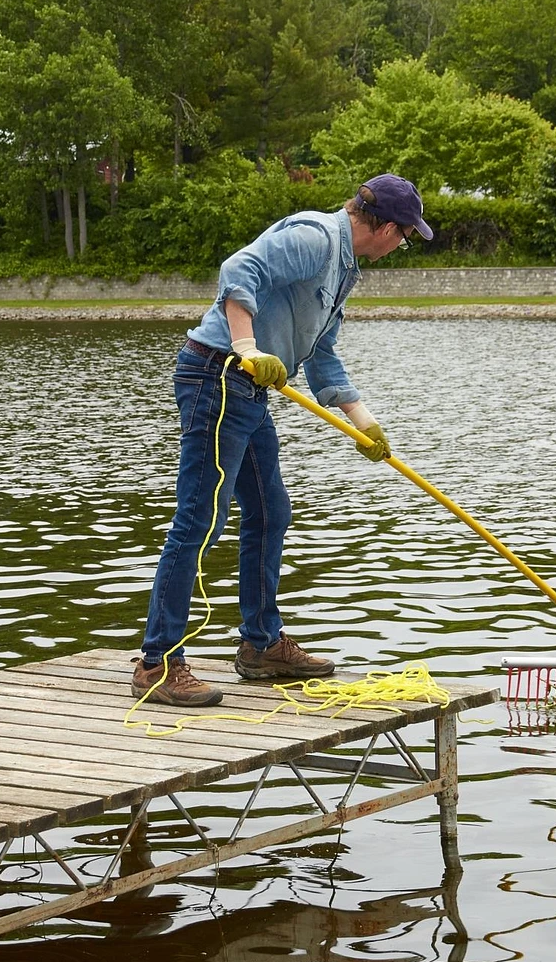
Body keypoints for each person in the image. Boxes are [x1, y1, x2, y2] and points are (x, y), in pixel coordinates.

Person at [132, 174, 433, 707]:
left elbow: (322, 353)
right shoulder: (316, 237)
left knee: (271, 510)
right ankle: (158, 663)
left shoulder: (344, 269)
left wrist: (363, 422)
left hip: (251, 388)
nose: (402, 244)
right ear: (387, 227)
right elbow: (238, 269)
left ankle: (261, 645)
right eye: (406, 235)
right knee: (200, 518)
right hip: (218, 376)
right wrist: (247, 345)